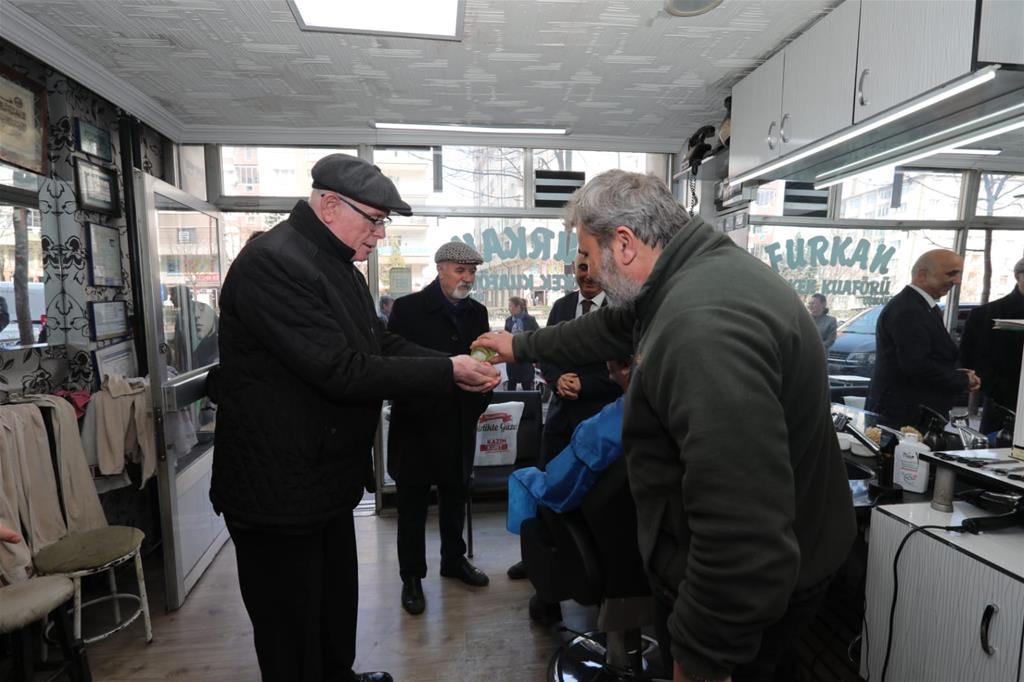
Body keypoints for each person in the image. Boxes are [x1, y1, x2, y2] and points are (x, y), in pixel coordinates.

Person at [473, 169, 856, 682]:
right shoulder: (690, 272)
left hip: (746, 598)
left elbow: (739, 525)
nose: (588, 269)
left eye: (589, 252)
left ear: (625, 244)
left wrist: (703, 655)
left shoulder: (703, 326)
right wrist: (518, 346)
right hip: (772, 570)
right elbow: (610, 325)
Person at [211, 153, 499, 682]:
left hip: (324, 481)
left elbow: (377, 341)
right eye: (374, 220)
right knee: (291, 631)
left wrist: (450, 366)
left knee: (333, 609)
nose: (380, 236)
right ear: (327, 205)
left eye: (383, 223)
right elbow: (341, 369)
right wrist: (448, 372)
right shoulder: (273, 262)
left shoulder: (334, 264)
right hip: (279, 489)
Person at [386, 242, 492, 617]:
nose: (468, 279)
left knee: (455, 498)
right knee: (412, 506)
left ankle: (454, 560)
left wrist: (479, 398)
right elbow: (395, 361)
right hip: (417, 423)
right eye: (461, 271)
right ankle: (412, 578)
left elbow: (484, 359)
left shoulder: (477, 313)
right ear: (441, 269)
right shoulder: (409, 308)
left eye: (472, 272)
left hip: (459, 422)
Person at [506, 255, 621, 583]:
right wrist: (557, 379)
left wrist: (588, 384)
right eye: (581, 268)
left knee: (596, 497)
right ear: (574, 271)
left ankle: (588, 563)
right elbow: (546, 353)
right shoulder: (561, 306)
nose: (587, 275)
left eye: (593, 267)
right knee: (545, 484)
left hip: (601, 420)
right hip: (560, 415)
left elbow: (630, 367)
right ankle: (538, 557)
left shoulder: (623, 309)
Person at [866, 249, 981, 428]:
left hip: (911, 410)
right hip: (904, 415)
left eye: (959, 274)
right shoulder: (909, 309)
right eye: (951, 274)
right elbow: (915, 365)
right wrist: (962, 380)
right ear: (922, 275)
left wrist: (958, 374)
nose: (957, 281)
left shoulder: (920, 305)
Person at [960, 256, 1024, 434]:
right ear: (1018, 276)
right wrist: (991, 386)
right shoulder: (985, 315)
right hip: (1002, 401)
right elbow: (968, 358)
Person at [504, 296, 539, 390]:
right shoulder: (508, 320)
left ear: (518, 307)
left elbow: (537, 336)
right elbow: (505, 337)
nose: (509, 308)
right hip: (512, 357)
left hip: (526, 357)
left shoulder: (530, 320)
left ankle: (529, 404)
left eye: (510, 306)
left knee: (527, 384)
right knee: (511, 384)